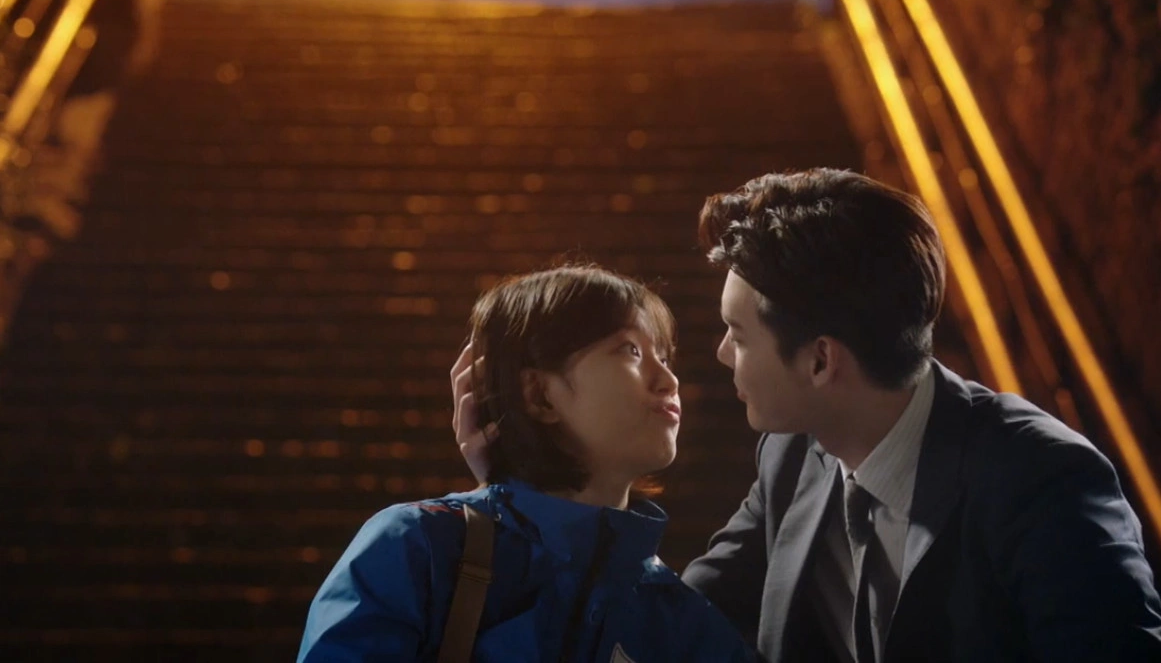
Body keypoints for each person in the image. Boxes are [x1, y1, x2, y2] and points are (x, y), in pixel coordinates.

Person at [454, 169, 1161, 662]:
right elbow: (665, 624)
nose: (719, 354)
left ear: (821, 360)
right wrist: (524, 498)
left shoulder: (1041, 480)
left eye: (738, 335)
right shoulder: (795, 456)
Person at [299, 265, 752, 662]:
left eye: (665, 357)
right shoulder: (420, 549)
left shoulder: (683, 622)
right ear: (538, 394)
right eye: (630, 350)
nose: (668, 379)